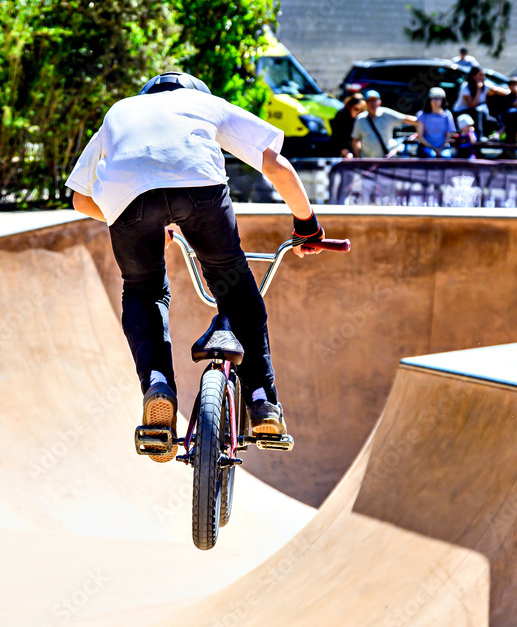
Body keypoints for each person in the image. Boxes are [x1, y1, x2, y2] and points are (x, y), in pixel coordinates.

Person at [66, 71, 327, 462]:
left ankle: (157, 385)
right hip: (199, 192)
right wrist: (307, 226)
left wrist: (142, 219)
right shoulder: (206, 104)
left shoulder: (120, 111)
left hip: (127, 199)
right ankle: (262, 403)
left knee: (144, 289)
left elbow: (80, 200)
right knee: (235, 287)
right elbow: (276, 166)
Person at [351, 90, 417, 158]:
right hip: (367, 159)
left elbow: (406, 119)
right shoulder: (360, 119)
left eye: (375, 100)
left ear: (380, 102)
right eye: (370, 101)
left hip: (386, 158)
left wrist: (423, 121)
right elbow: (356, 139)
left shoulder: (386, 114)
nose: (372, 103)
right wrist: (359, 157)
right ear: (366, 103)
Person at [453, 65, 509, 140]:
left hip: (479, 113)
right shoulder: (465, 87)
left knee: (492, 121)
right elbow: (472, 105)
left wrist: (512, 90)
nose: (483, 78)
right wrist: (478, 89)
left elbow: (501, 91)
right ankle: (480, 136)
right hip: (462, 112)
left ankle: (488, 137)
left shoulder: (486, 85)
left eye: (483, 75)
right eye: (480, 75)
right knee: (478, 111)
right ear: (474, 76)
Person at [415, 87, 457, 158]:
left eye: (438, 98)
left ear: (443, 100)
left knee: (446, 156)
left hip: (443, 148)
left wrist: (441, 148)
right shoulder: (422, 115)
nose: (436, 101)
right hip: (427, 147)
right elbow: (420, 136)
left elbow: (448, 135)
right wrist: (433, 148)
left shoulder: (447, 115)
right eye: (433, 98)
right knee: (431, 155)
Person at [329, 93, 366, 158]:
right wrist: (344, 151)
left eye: (361, 110)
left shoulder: (362, 118)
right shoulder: (341, 116)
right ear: (350, 106)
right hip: (342, 151)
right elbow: (336, 137)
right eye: (356, 109)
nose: (358, 113)